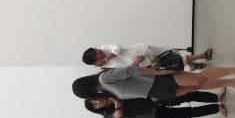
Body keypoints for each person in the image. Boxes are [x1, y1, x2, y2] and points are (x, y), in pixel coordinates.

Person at [73, 64, 235, 102]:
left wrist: (160, 71)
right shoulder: (106, 92)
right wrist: (151, 97)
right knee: (196, 86)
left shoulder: (103, 79)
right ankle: (232, 82)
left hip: (157, 79)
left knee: (198, 78)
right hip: (156, 91)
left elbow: (132, 70)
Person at [84, 88, 228, 118]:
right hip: (152, 115)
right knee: (187, 112)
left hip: (154, 97)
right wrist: (115, 101)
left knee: (188, 95)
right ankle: (216, 108)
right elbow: (118, 115)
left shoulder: (112, 91)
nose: (98, 103)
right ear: (96, 109)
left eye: (95, 100)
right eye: (95, 105)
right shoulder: (108, 114)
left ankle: (216, 97)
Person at [82, 44, 213, 70]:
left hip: (143, 49)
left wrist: (106, 58)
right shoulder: (106, 68)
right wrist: (135, 63)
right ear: (96, 61)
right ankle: (202, 55)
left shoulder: (104, 47)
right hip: (144, 63)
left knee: (171, 52)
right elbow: (124, 70)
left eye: (95, 49)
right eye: (96, 53)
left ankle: (194, 65)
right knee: (175, 60)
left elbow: (118, 48)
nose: (98, 50)